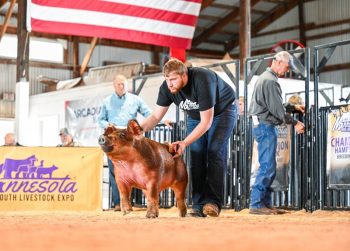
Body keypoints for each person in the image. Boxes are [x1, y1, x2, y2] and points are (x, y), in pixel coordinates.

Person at [140, 58, 237, 217]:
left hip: (222, 111)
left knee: (214, 152)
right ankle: (198, 205)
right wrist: (139, 130)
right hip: (196, 116)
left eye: (173, 79)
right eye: (167, 79)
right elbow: (156, 116)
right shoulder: (167, 88)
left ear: (184, 75)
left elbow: (206, 122)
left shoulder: (202, 79)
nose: (169, 83)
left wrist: (184, 142)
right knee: (197, 154)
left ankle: (213, 202)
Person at [248, 51, 305, 215]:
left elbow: (273, 104)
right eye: (287, 67)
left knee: (268, 165)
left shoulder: (264, 78)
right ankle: (257, 203)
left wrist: (292, 107)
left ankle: (265, 203)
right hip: (265, 126)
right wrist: (295, 122)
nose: (287, 70)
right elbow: (277, 111)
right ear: (278, 62)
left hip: (262, 125)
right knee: (268, 166)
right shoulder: (271, 81)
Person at [98, 74, 153, 211]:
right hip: (113, 140)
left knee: (135, 170)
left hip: (130, 141)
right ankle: (119, 203)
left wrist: (163, 120)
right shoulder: (106, 101)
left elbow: (149, 113)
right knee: (115, 171)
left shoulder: (136, 100)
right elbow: (100, 120)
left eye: (124, 84)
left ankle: (132, 201)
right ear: (114, 85)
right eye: (119, 84)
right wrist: (107, 124)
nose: (122, 86)